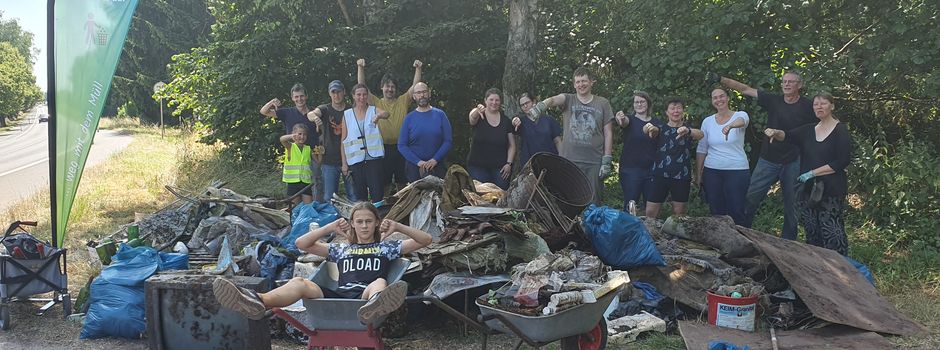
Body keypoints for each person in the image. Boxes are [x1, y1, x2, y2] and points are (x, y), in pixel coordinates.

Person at [213, 202, 433, 323]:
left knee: (379, 281)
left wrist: (398, 227)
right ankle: (258, 301)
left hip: (365, 298)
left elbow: (426, 240)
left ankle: (375, 307)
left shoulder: (387, 247)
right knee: (300, 282)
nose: (364, 226)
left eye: (369, 221)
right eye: (359, 222)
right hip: (338, 297)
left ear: (376, 223)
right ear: (352, 224)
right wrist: (329, 228)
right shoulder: (341, 248)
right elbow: (302, 243)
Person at [709, 71, 817, 239]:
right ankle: (742, 234)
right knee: (751, 197)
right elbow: (745, 89)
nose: (786, 84)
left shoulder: (809, 106)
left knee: (792, 204)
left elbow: (821, 125)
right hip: (768, 159)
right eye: (784, 81)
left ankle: (787, 244)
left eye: (791, 82)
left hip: (793, 160)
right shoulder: (773, 100)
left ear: (800, 85)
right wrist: (720, 79)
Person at [763, 92, 853, 255]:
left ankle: (839, 268)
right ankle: (817, 267)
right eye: (815, 104)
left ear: (832, 106)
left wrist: (812, 172)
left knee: (832, 229)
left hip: (831, 190)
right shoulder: (809, 129)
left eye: (823, 103)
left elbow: (842, 161)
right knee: (812, 230)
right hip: (808, 191)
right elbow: (788, 135)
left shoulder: (840, 131)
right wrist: (775, 132)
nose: (819, 107)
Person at [524, 67, 615, 203]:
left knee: (593, 200)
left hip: (594, 161)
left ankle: (590, 224)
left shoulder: (602, 103)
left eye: (584, 81)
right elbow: (554, 100)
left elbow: (608, 133)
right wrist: (541, 106)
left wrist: (607, 159)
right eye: (577, 82)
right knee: (570, 198)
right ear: (574, 84)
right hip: (570, 160)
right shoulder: (569, 99)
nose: (581, 85)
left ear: (591, 82)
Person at [357, 59, 423, 192]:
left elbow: (415, 87)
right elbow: (361, 86)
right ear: (382, 87)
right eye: (387, 86)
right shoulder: (375, 102)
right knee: (384, 184)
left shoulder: (402, 101)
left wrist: (418, 69)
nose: (390, 89)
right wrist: (360, 67)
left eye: (392, 86)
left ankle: (403, 209)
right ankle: (386, 211)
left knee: (403, 183)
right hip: (382, 149)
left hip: (402, 148)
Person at [696, 87, 750, 224]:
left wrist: (730, 125)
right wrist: (698, 174)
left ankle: (741, 241)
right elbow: (702, 148)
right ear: (712, 101)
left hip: (737, 170)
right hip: (712, 170)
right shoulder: (707, 121)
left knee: (736, 209)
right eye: (715, 97)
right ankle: (719, 242)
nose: (719, 100)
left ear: (728, 98)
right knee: (716, 210)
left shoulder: (740, 115)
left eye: (721, 96)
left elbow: (743, 121)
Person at [261, 84, 322, 201]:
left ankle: (315, 213)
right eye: (296, 97)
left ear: (306, 96)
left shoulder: (314, 112)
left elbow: (321, 132)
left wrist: (320, 149)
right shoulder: (287, 112)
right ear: (292, 98)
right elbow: (264, 111)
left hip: (312, 152)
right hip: (294, 153)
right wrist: (272, 102)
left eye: (302, 96)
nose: (299, 99)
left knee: (316, 184)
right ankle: (295, 215)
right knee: (295, 193)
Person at [645, 97, 703, 218]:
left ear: (683, 111)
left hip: (681, 176)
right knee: (650, 212)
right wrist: (649, 128)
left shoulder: (688, 129)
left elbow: (700, 134)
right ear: (667, 112)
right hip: (659, 175)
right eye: (672, 108)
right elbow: (650, 130)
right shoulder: (660, 127)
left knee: (679, 215)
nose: (675, 111)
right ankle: (650, 235)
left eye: (678, 108)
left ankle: (676, 236)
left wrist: (688, 131)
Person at [614, 91, 663, 212]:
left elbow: (658, 134)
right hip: (631, 170)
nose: (639, 104)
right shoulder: (630, 120)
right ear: (633, 105)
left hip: (652, 170)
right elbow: (623, 122)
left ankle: (648, 229)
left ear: (648, 104)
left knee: (651, 207)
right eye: (636, 102)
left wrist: (653, 130)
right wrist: (620, 117)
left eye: (642, 101)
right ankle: (628, 229)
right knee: (630, 205)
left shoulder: (657, 122)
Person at [307, 80, 356, 202]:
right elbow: (311, 114)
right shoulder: (325, 109)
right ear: (329, 93)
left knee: (354, 195)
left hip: (350, 158)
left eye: (339, 92)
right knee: (329, 197)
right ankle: (333, 220)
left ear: (344, 92)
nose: (336, 95)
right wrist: (315, 118)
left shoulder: (351, 110)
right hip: (329, 159)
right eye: (333, 92)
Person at [342, 84, 390, 202]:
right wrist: (344, 164)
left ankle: (378, 217)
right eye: (358, 95)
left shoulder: (373, 110)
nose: (362, 97)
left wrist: (378, 115)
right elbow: (343, 141)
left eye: (364, 95)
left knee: (377, 194)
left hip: (374, 160)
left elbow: (386, 114)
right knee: (360, 196)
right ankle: (362, 219)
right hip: (356, 162)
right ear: (353, 96)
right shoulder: (347, 114)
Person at [398, 82, 453, 181]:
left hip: (437, 165)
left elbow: (448, 141)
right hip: (415, 168)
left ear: (429, 93)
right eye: (418, 93)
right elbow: (401, 145)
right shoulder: (409, 118)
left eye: (424, 92)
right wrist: (418, 162)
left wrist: (435, 159)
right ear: (414, 96)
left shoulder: (440, 115)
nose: (422, 95)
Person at [467, 88, 516, 190]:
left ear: (500, 102)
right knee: (481, 198)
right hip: (478, 167)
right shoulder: (479, 116)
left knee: (500, 197)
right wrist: (477, 110)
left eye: (497, 100)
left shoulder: (506, 121)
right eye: (491, 99)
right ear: (485, 101)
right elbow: (471, 118)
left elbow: (512, 145)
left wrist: (509, 164)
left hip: (500, 169)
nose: (494, 102)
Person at [510, 93, 562, 167]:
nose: (525, 106)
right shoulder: (521, 122)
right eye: (522, 105)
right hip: (530, 164)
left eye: (527, 103)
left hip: (551, 161)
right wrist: (514, 121)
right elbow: (512, 126)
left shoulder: (549, 120)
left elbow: (557, 141)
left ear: (534, 102)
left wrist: (562, 158)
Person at [279, 124, 315, 204]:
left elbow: (318, 162)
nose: (302, 137)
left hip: (306, 182)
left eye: (304, 134)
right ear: (294, 134)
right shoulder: (290, 146)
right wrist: (292, 136)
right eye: (299, 134)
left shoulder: (308, 148)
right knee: (294, 207)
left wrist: (320, 153)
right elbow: (282, 139)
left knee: (308, 206)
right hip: (293, 182)